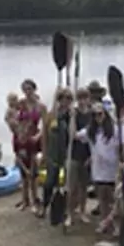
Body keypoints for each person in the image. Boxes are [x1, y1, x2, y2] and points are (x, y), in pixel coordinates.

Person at [77, 103, 124, 234]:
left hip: (113, 170)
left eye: (100, 114)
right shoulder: (90, 131)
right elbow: (76, 135)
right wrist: (73, 117)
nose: (98, 117)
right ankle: (105, 223)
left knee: (115, 200)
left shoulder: (115, 129)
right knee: (102, 199)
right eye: (95, 115)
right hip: (98, 170)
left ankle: (117, 225)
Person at [37, 88, 75, 220]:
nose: (65, 101)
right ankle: (44, 206)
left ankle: (62, 209)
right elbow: (44, 135)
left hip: (66, 155)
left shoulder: (72, 116)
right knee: (48, 182)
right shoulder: (51, 115)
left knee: (64, 183)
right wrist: (44, 153)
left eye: (68, 99)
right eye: (63, 98)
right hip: (52, 154)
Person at [15, 79, 46, 210]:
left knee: (33, 172)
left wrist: (39, 136)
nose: (27, 92)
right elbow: (14, 119)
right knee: (23, 171)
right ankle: (25, 200)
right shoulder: (21, 104)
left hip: (34, 138)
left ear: (34, 89)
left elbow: (45, 124)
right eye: (25, 89)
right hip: (21, 138)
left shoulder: (40, 106)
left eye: (29, 89)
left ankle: (35, 200)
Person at [66, 88, 93, 225]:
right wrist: (72, 118)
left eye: (85, 98)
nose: (82, 101)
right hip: (74, 155)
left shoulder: (92, 115)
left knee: (84, 187)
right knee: (72, 187)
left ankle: (82, 211)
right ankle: (70, 213)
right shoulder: (74, 114)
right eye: (80, 98)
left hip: (87, 155)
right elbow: (72, 135)